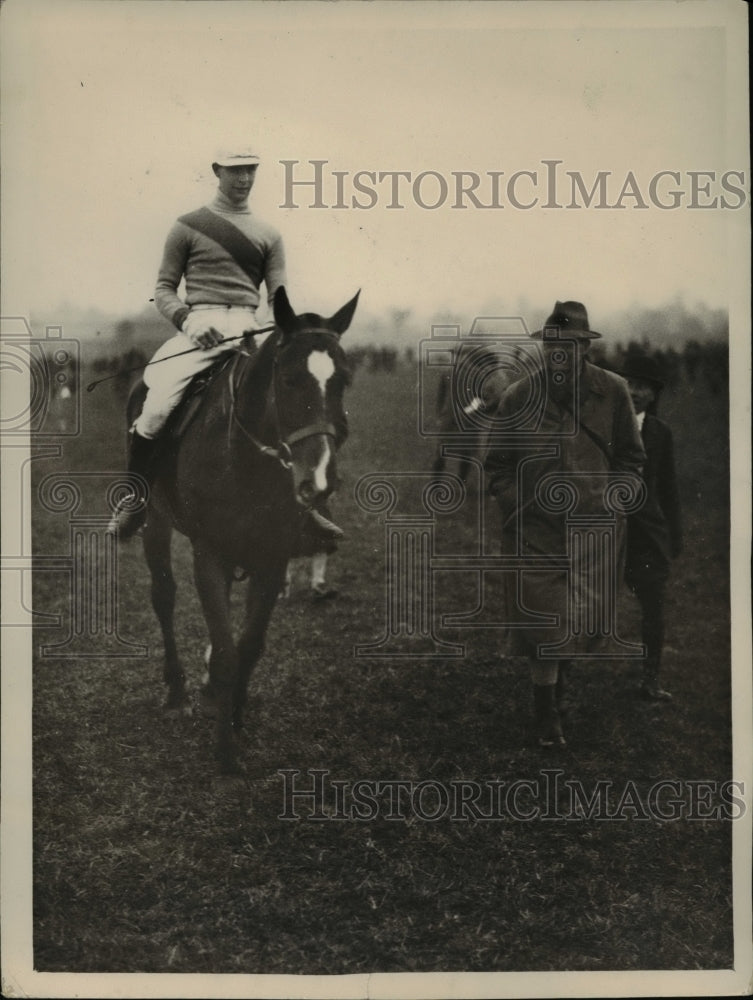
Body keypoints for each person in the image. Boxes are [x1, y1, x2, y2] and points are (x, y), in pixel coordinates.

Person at [107, 145, 342, 542]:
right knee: (156, 406)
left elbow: (277, 296)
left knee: (296, 404)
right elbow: (164, 289)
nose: (244, 179)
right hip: (200, 327)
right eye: (235, 170)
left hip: (253, 328)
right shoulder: (187, 226)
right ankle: (135, 498)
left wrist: (266, 327)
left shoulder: (269, 233)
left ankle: (305, 510)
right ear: (217, 171)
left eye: (251, 170)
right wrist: (190, 320)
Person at [485, 301, 646, 748]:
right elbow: (496, 464)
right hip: (535, 531)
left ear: (583, 349)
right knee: (544, 621)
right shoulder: (519, 396)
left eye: (568, 346)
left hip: (594, 531)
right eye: (551, 345)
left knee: (576, 621)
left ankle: (556, 688)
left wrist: (614, 500)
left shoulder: (612, 392)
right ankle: (545, 711)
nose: (559, 354)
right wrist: (519, 505)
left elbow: (632, 458)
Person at [619, 354, 682, 701]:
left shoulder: (660, 433)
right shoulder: (608, 426)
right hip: (611, 531)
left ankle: (650, 680)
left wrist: (675, 535)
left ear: (654, 395)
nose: (635, 392)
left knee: (653, 607)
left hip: (648, 536)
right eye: (629, 384)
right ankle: (561, 685)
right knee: (584, 605)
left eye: (643, 387)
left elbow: (668, 487)